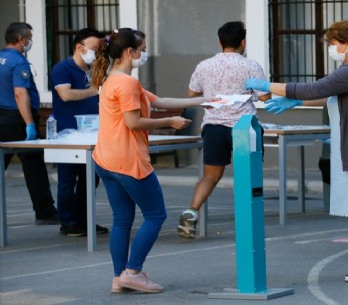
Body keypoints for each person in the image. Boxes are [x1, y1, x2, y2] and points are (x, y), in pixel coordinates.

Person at [245, 19, 348, 282]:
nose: (330, 47)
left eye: (332, 43)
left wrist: (267, 86)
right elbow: (331, 93)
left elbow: (315, 88)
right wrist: (294, 101)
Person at [91, 28, 209, 293]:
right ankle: (133, 272)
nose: (144, 54)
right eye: (142, 50)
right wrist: (171, 121)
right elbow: (133, 122)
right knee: (156, 215)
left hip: (106, 159)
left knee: (122, 219)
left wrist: (205, 100)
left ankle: (119, 276)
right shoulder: (127, 83)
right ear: (129, 52)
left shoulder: (113, 79)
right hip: (127, 160)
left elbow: (159, 101)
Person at [177, 21, 270, 239]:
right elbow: (265, 96)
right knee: (248, 175)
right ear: (243, 42)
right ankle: (247, 222)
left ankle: (192, 210)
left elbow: (192, 93)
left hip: (214, 125)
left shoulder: (204, 65)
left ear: (220, 42)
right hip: (243, 126)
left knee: (211, 175)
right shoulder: (250, 65)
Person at [50, 28, 108, 237]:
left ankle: (85, 220)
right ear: (79, 47)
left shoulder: (95, 69)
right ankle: (68, 222)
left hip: (93, 132)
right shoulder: (62, 68)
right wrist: (95, 90)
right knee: (68, 178)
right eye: (94, 49)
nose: (97, 53)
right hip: (68, 132)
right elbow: (65, 95)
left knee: (90, 178)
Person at [0, 22, 59, 225]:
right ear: (20, 39)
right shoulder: (19, 62)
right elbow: (20, 93)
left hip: (2, 117)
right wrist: (29, 124)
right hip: (17, 118)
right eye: (29, 38)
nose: (30, 42)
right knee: (34, 164)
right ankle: (45, 211)